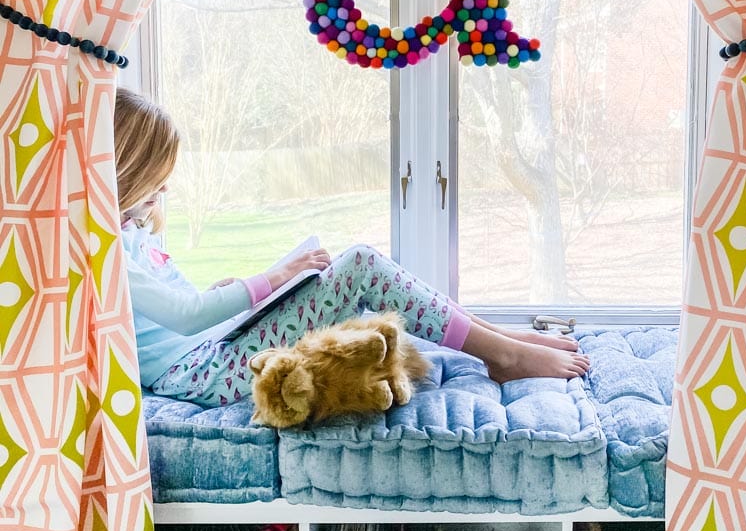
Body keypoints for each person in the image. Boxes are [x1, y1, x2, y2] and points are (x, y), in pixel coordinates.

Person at [114, 88, 590, 407]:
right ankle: (502, 355)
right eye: (156, 181)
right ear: (124, 171)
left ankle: (502, 340)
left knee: (360, 266)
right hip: (202, 373)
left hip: (213, 348)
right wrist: (274, 277)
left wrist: (237, 293)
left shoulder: (134, 234)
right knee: (361, 267)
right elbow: (186, 316)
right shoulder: (108, 248)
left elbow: (176, 314)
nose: (165, 191)